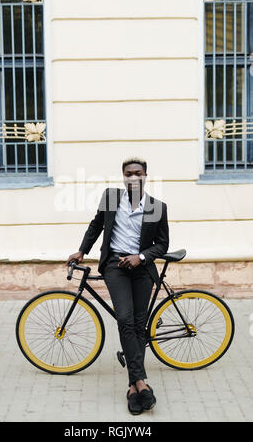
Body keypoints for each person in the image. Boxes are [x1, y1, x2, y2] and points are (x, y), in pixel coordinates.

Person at [66, 157, 169, 415]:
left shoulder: (158, 206)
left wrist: (142, 257)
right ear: (123, 177)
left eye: (138, 173)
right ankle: (141, 382)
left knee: (138, 323)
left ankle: (134, 389)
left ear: (146, 176)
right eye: (129, 173)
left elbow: (162, 244)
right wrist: (81, 251)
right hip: (115, 264)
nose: (133, 177)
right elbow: (96, 225)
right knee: (124, 319)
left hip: (142, 267)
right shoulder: (111, 198)